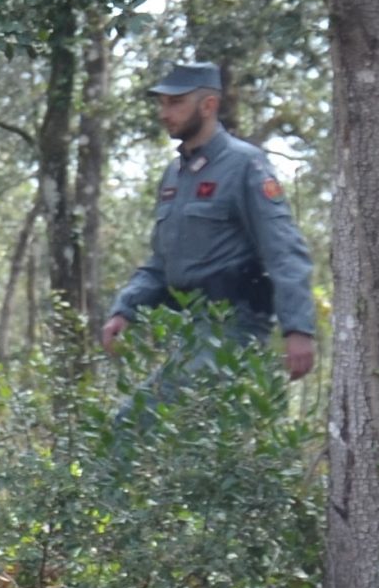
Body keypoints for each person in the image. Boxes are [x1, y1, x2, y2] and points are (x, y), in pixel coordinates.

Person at [100, 61, 316, 381]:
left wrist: (298, 328)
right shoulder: (174, 175)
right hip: (186, 328)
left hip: (232, 326)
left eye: (175, 102)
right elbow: (161, 262)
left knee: (141, 424)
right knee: (152, 424)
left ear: (208, 105)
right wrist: (125, 309)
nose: (164, 113)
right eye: (161, 103)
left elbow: (283, 249)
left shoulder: (245, 164)